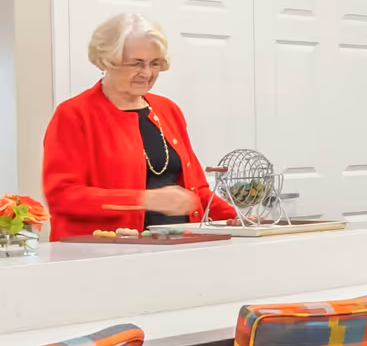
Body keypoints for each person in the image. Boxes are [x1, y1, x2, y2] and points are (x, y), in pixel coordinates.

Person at [42, 13, 237, 240]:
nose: (147, 73)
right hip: (102, 252)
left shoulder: (168, 109)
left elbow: (197, 191)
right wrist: (143, 200)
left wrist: (236, 220)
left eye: (154, 64)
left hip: (177, 246)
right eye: (136, 63)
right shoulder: (74, 114)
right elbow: (63, 195)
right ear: (107, 61)